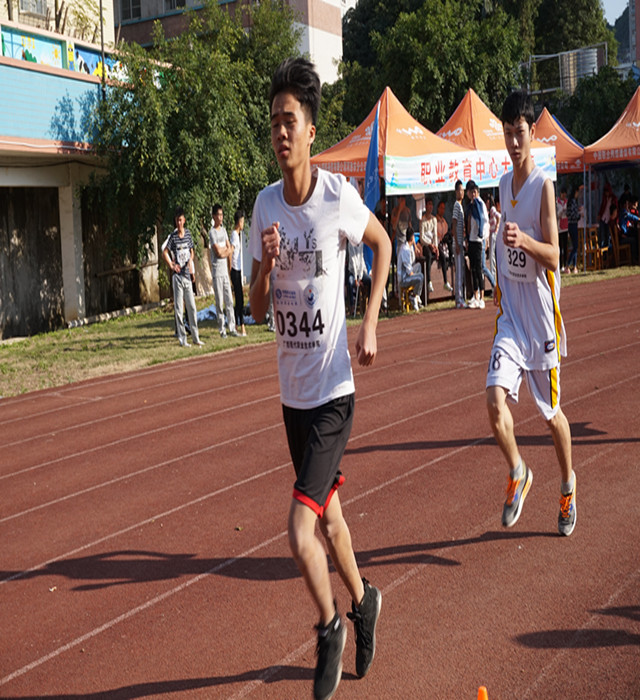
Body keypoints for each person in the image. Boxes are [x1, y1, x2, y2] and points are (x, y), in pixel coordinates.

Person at [248, 57, 389, 700]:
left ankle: (330, 624)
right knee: (330, 522)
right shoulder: (264, 206)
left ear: (310, 131)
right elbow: (256, 310)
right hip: (292, 397)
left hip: (333, 392)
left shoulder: (337, 198)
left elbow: (382, 245)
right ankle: (365, 600)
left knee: (299, 530)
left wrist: (371, 321)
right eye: (274, 122)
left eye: (290, 121)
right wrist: (264, 267)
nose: (280, 133)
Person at [486, 90, 576, 537]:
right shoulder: (504, 183)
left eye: (519, 133)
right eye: (507, 134)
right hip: (512, 317)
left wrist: (525, 241)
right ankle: (518, 470)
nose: (513, 142)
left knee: (552, 415)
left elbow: (556, 256)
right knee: (493, 400)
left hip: (540, 319)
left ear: (532, 132)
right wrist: (500, 275)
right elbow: (507, 242)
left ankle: (567, 485)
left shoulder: (543, 185)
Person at [162, 207, 204, 348]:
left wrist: (190, 261)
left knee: (192, 308)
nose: (179, 223)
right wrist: (171, 265)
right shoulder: (173, 237)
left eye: (181, 220)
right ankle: (182, 338)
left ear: (184, 220)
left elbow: (192, 251)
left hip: (187, 276)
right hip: (178, 277)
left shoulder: (188, 234)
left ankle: (196, 337)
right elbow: (165, 252)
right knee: (179, 309)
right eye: (177, 221)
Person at [209, 204, 239, 338]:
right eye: (218, 215)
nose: (220, 218)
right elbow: (219, 253)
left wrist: (227, 251)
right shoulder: (212, 233)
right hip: (217, 272)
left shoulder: (224, 230)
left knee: (229, 301)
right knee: (220, 302)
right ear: (214, 216)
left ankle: (232, 327)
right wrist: (227, 250)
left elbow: (228, 248)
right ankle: (222, 330)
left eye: (222, 215)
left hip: (225, 272)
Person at [464, 180, 488, 309]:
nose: (471, 194)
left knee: (479, 269)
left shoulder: (480, 204)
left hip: (478, 240)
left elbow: (484, 221)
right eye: (470, 192)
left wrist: (483, 237)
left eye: (473, 191)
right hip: (471, 240)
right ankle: (475, 295)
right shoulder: (471, 206)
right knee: (473, 268)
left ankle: (482, 297)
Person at [398, 220, 424, 310]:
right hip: (404, 278)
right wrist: (414, 276)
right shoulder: (405, 249)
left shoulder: (409, 247)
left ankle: (416, 295)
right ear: (412, 237)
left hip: (407, 274)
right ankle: (414, 295)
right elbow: (408, 269)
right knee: (420, 277)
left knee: (418, 266)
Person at [230, 209, 247, 337]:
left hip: (238, 270)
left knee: (240, 299)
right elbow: (231, 253)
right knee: (239, 299)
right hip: (234, 270)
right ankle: (240, 325)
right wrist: (230, 269)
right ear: (239, 222)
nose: (243, 224)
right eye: (243, 222)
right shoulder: (234, 236)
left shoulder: (238, 235)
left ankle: (238, 325)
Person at [452, 179, 466, 308]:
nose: (462, 192)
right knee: (459, 272)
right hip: (458, 243)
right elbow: (454, 224)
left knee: (461, 271)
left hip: (461, 242)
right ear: (456, 192)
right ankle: (458, 298)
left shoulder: (460, 206)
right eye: (460, 190)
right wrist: (456, 243)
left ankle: (460, 297)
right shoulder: (456, 205)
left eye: (463, 190)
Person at [347, 239, 371, 316]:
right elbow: (353, 261)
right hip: (353, 272)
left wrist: (360, 277)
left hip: (361, 271)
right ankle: (352, 306)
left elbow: (361, 259)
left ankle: (370, 304)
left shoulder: (361, 243)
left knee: (370, 281)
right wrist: (355, 279)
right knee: (350, 282)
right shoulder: (350, 244)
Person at [419, 197, 438, 293]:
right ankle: (429, 281)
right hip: (425, 245)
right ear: (425, 206)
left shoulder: (434, 219)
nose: (430, 207)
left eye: (431, 204)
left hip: (432, 244)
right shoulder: (422, 220)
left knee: (442, 255)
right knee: (429, 256)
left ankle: (445, 281)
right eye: (429, 204)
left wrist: (436, 246)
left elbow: (435, 235)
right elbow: (422, 237)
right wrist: (429, 244)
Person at [436, 199, 453, 292]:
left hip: (445, 245)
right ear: (438, 208)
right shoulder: (435, 221)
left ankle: (451, 261)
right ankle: (445, 281)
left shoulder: (444, 221)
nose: (442, 210)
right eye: (441, 208)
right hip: (437, 244)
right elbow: (436, 234)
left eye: (444, 208)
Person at [566, 187, 580, 274]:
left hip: (570, 224)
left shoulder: (570, 202)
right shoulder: (573, 202)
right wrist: (579, 215)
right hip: (573, 224)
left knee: (575, 246)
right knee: (575, 246)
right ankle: (568, 265)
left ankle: (574, 266)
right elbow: (573, 214)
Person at [556, 188, 569, 272]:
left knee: (566, 247)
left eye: (565, 194)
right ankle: (561, 265)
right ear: (560, 193)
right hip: (559, 228)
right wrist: (560, 212)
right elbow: (556, 214)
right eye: (563, 194)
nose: (564, 196)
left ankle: (566, 264)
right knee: (560, 247)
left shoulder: (567, 202)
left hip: (566, 227)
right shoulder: (557, 203)